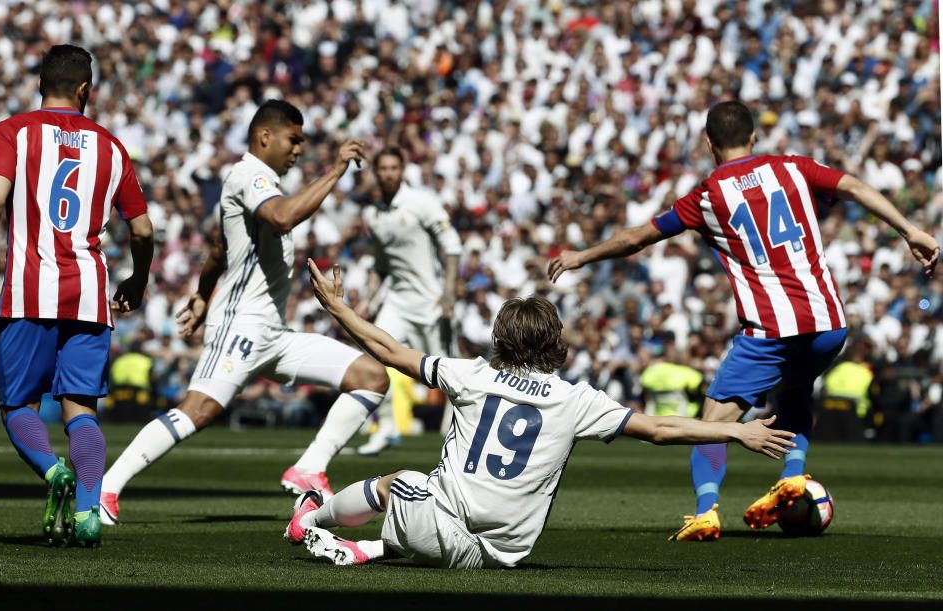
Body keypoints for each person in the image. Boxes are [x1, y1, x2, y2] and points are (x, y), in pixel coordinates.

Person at [548, 100, 939, 541]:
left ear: (709, 144)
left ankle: (706, 510)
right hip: (829, 323)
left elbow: (636, 237)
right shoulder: (794, 168)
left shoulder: (708, 195)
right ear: (754, 136)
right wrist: (910, 230)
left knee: (711, 424)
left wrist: (581, 256)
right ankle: (792, 478)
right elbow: (856, 187)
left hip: (771, 329)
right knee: (795, 394)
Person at [281, 260, 795, 568]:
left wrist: (339, 310)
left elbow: (390, 351)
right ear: (555, 342)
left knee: (401, 481)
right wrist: (736, 431)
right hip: (504, 553)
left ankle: (310, 521)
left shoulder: (473, 373)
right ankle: (367, 550)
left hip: (443, 527)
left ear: (501, 339)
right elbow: (660, 428)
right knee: (422, 514)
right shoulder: (576, 399)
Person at [100, 100, 389, 524]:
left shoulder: (259, 180)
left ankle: (308, 468)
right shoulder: (251, 174)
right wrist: (337, 169)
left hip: (271, 331)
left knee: (371, 375)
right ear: (265, 137)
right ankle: (106, 488)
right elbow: (284, 217)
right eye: (294, 140)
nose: (298, 150)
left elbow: (220, 249)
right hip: (241, 325)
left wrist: (200, 295)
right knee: (199, 409)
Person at [0, 44, 154, 547]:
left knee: (18, 405)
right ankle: (89, 511)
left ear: (39, 84)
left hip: (29, 292)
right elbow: (144, 229)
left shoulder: (13, 132)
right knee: (81, 409)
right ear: (86, 90)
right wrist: (137, 279)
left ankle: (51, 471)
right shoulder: (111, 146)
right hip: (90, 293)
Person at [357, 147, 461, 456]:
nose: (388, 173)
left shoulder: (421, 203)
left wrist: (449, 293)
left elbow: (452, 246)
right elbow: (381, 265)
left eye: (393, 167)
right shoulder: (373, 215)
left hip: (430, 302)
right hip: (398, 302)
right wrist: (368, 299)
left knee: (450, 374)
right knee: (374, 356)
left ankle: (464, 436)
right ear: (376, 173)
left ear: (402, 171)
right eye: (383, 168)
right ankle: (386, 427)